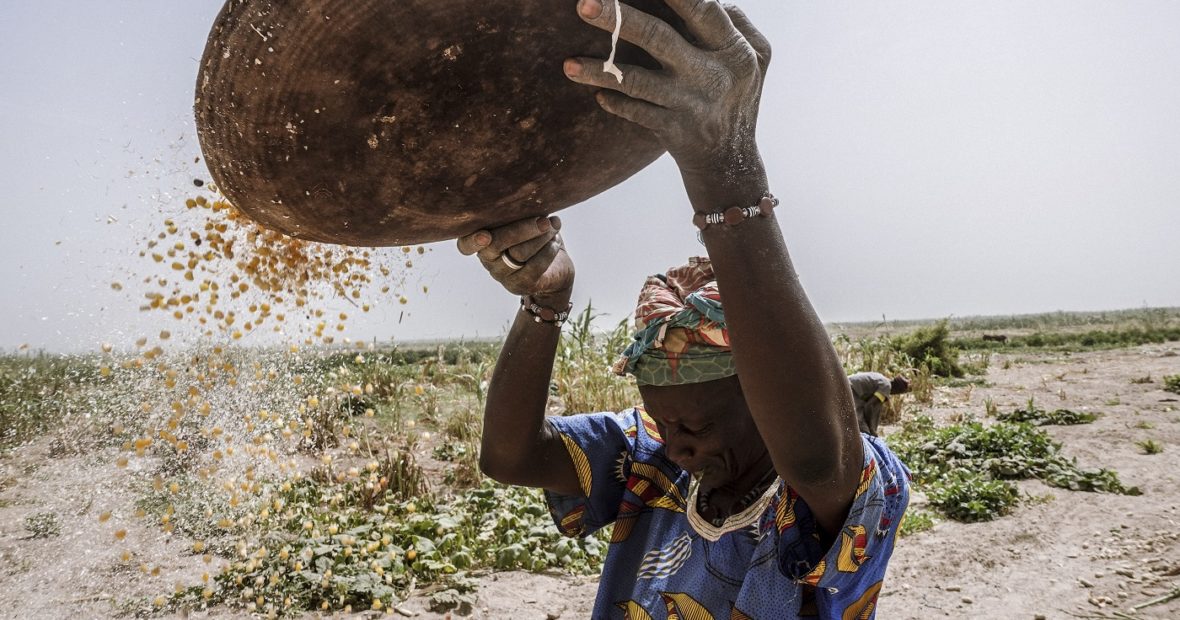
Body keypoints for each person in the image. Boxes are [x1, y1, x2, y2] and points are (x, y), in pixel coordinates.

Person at [456, 0, 910, 617]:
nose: (674, 446)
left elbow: (813, 454)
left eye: (693, 428)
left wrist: (725, 166)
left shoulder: (838, 494)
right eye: (665, 424)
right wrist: (544, 303)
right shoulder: (653, 462)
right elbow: (510, 457)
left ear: (761, 398)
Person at [848, 372, 911, 437]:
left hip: (847, 384)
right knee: (862, 427)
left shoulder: (883, 379)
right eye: (900, 392)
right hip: (850, 389)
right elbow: (869, 406)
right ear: (898, 389)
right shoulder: (886, 386)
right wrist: (871, 428)